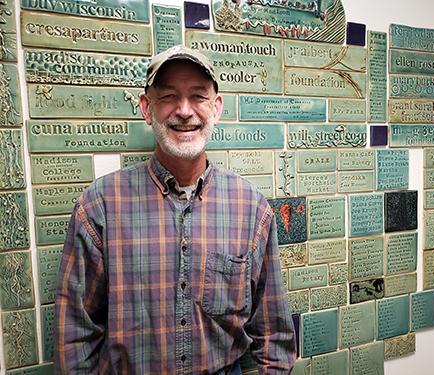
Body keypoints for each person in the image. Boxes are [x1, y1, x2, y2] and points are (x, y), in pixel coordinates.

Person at [54, 45, 296, 375]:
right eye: (168, 96)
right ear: (146, 108)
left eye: (198, 96)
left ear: (216, 108)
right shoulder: (100, 206)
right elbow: (75, 338)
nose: (184, 111)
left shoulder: (250, 207)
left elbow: (274, 335)